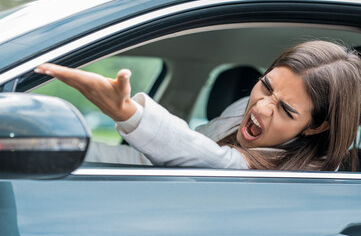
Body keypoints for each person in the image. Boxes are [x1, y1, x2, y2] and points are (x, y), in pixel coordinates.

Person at [34, 40, 361, 171]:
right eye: (265, 86)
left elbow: (213, 159)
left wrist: (128, 113)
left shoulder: (307, 171)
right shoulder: (240, 110)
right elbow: (146, 161)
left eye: (286, 110)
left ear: (318, 125)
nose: (261, 107)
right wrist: (50, 151)